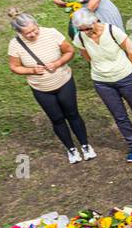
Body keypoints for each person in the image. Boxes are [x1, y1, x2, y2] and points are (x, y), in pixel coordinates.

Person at [71, 8, 132, 163]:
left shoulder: (112, 31)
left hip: (126, 77)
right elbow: (86, 56)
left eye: (87, 28)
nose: (85, 32)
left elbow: (131, 51)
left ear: (94, 21)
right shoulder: (80, 37)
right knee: (119, 116)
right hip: (102, 82)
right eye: (81, 29)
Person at [7, 9, 94, 164]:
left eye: (35, 30)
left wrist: (57, 63)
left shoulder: (52, 33)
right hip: (41, 89)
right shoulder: (15, 45)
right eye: (28, 33)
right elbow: (14, 67)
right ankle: (71, 149)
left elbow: (69, 51)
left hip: (64, 82)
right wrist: (31, 70)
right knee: (57, 119)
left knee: (73, 114)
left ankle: (85, 145)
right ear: (19, 32)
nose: (33, 34)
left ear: (37, 25)